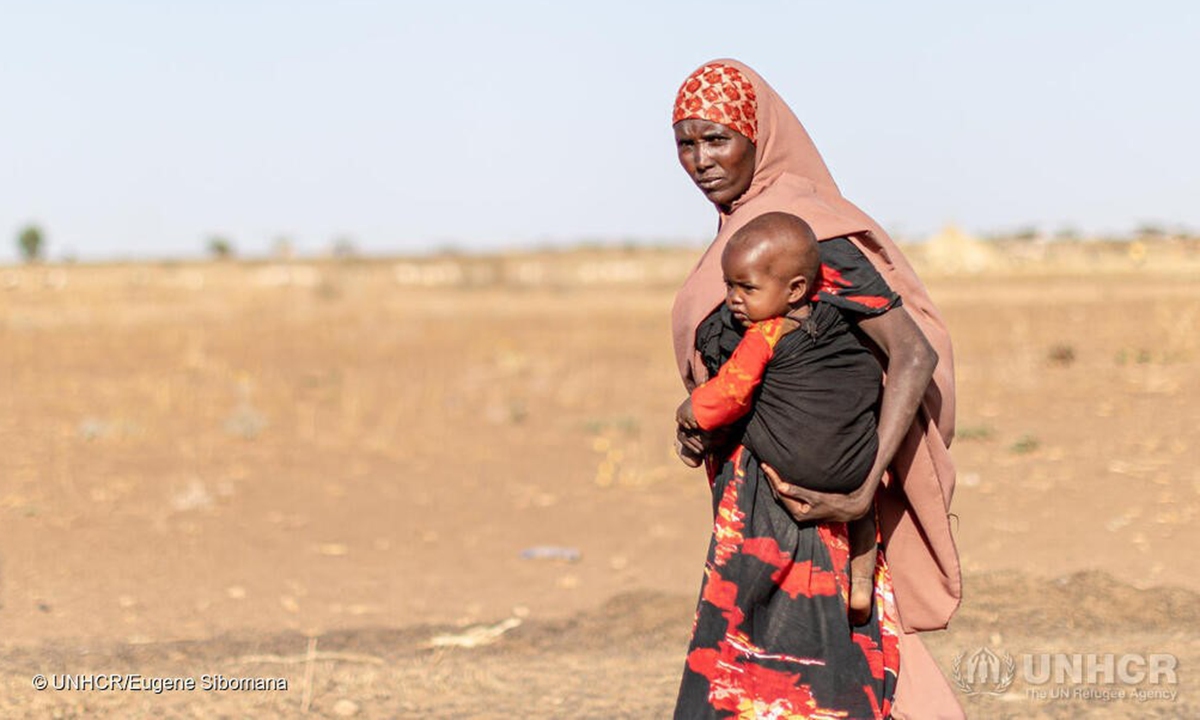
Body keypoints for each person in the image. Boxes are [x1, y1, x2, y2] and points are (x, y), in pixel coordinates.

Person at [669, 59, 964, 719]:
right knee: (757, 682)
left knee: (809, 684)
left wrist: (863, 485)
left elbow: (911, 351)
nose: (701, 160)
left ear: (759, 138)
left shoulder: (804, 235)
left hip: (812, 513)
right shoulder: (745, 239)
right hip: (750, 505)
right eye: (686, 143)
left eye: (717, 139)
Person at [674, 211, 886, 627]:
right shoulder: (837, 325)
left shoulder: (765, 334)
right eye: (729, 286)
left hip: (801, 471)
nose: (733, 299)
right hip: (859, 467)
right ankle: (861, 582)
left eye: (747, 288)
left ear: (795, 289)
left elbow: (730, 394)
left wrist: (690, 409)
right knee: (865, 514)